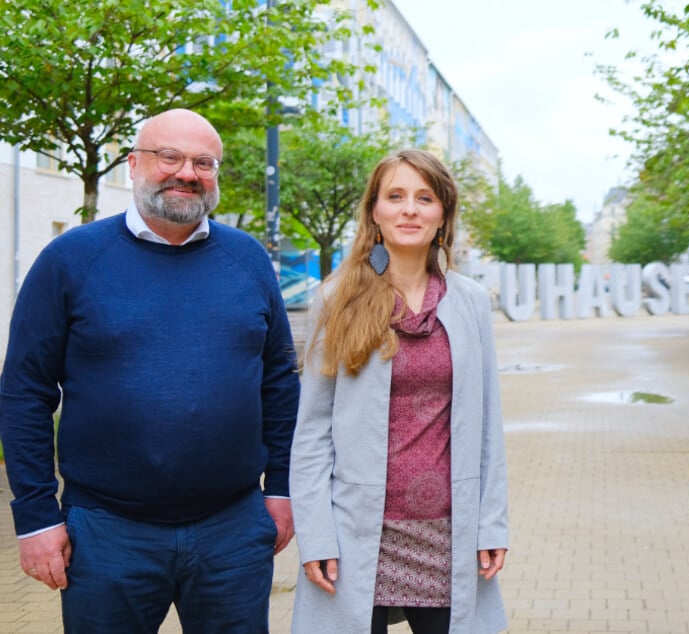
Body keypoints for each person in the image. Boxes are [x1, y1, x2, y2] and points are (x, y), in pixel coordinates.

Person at [0, 109, 300, 632]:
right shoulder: (70, 259)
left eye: (204, 162)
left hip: (232, 530)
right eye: (170, 156)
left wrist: (282, 488)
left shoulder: (248, 261)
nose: (187, 172)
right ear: (135, 164)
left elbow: (279, 383)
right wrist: (35, 517)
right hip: (106, 534)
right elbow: (25, 391)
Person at [289, 149, 508, 634]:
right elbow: (312, 433)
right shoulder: (337, 297)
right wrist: (317, 534)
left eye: (424, 198)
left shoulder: (469, 301)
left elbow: (488, 424)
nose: (410, 209)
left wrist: (492, 523)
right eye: (395, 196)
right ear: (375, 211)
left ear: (443, 214)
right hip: (357, 532)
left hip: (450, 532)